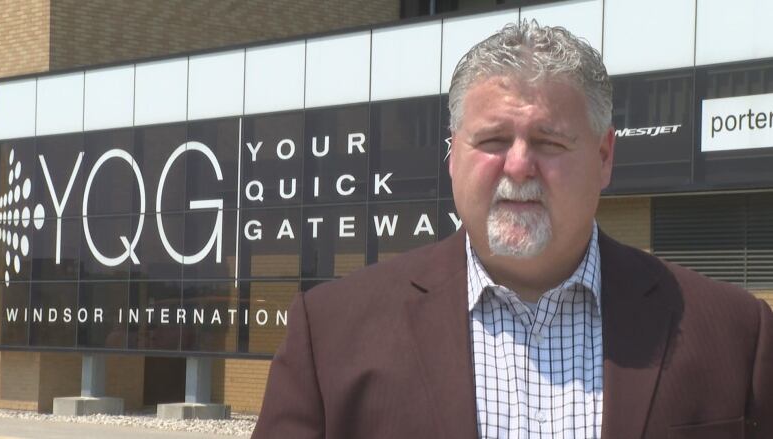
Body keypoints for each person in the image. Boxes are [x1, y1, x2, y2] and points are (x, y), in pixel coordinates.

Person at [252, 20, 772, 439]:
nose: (519, 166)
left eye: (549, 141)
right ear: (453, 156)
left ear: (604, 156)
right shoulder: (330, 333)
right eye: (494, 139)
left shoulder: (735, 334)